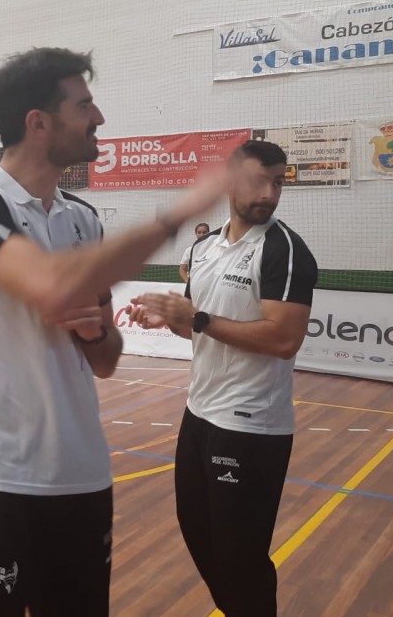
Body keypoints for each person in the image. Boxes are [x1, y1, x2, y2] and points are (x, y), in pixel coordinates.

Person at [0, 47, 230, 616]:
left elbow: (107, 361)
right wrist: (177, 214)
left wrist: (95, 333)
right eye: (84, 106)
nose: (98, 118)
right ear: (38, 123)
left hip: (82, 475)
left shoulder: (83, 218)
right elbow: (50, 285)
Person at [127, 140, 317, 617]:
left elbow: (283, 339)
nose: (269, 193)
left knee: (239, 557)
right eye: (259, 181)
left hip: (251, 426)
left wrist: (197, 318)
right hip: (200, 413)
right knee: (197, 530)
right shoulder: (203, 248)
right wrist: (170, 320)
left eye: (278, 183)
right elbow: (200, 326)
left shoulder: (285, 251)